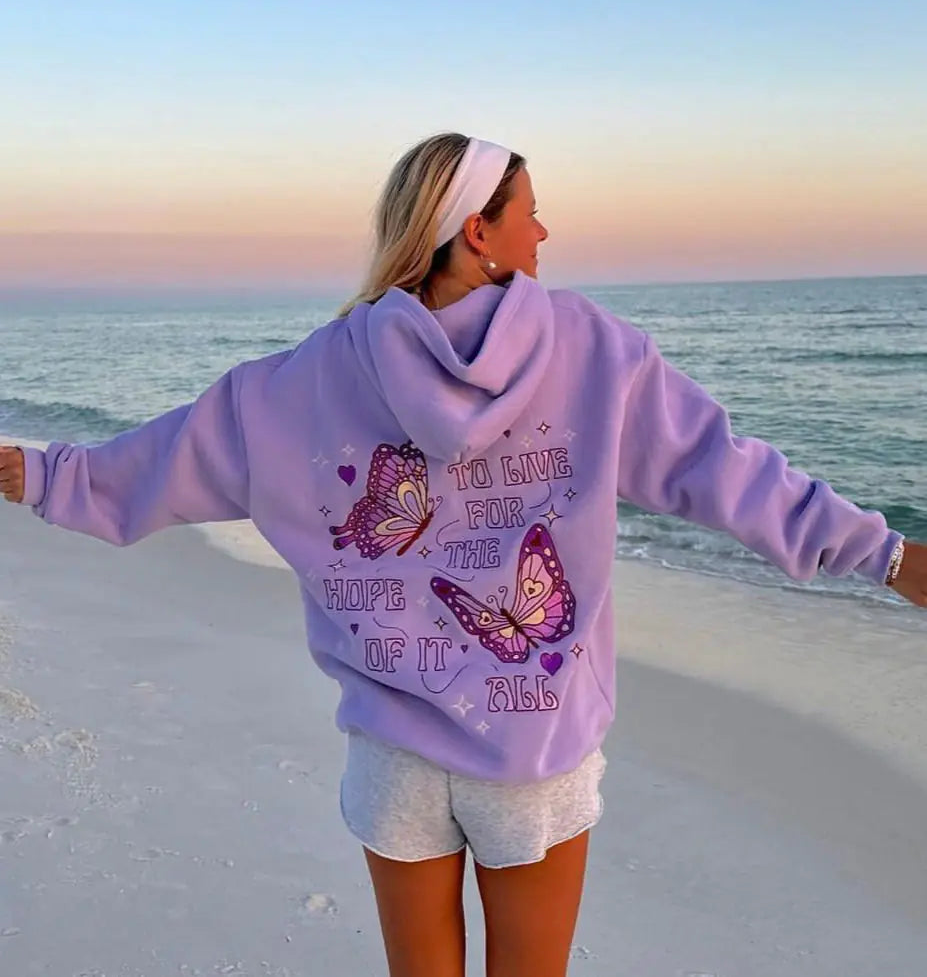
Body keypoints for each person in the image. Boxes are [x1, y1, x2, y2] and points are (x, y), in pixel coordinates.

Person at [1, 131, 924, 977]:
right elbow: (722, 471)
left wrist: (41, 473)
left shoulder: (312, 374)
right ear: (477, 230)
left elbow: (169, 459)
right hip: (534, 750)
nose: (544, 232)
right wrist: (879, 555)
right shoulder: (589, 350)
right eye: (530, 213)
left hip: (394, 753)